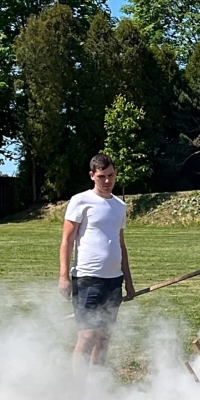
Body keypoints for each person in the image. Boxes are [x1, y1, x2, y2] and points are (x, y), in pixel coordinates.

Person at [59, 154, 135, 373]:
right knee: (87, 336)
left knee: (104, 337)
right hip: (87, 279)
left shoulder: (119, 206)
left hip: (113, 280)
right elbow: (67, 240)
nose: (107, 181)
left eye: (111, 175)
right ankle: (77, 390)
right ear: (92, 176)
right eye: (102, 176)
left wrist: (128, 282)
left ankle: (96, 387)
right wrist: (64, 277)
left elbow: (121, 245)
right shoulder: (80, 201)